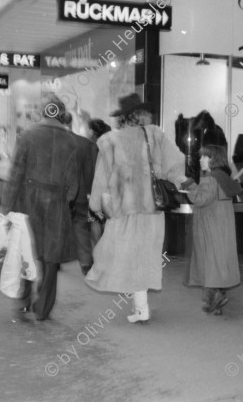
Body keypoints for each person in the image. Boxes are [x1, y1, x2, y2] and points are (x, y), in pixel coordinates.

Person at [85, 93, 188, 324]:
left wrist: (94, 207)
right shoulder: (155, 135)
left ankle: (141, 307)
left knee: (116, 255)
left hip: (123, 210)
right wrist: (184, 182)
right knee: (145, 257)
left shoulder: (110, 141)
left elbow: (101, 178)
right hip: (153, 208)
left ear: (123, 117)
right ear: (141, 114)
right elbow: (176, 163)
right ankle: (141, 307)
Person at [1, 93, 81, 321]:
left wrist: (7, 208)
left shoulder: (28, 135)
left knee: (25, 250)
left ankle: (24, 300)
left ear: (43, 112)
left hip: (28, 201)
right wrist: (65, 202)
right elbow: (73, 183)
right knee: (50, 258)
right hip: (56, 204)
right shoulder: (72, 141)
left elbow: (15, 173)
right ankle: (43, 308)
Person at [183, 145, 243, 315]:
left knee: (208, 260)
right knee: (219, 260)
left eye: (205, 157)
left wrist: (189, 185)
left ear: (213, 159)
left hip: (209, 225)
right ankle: (217, 295)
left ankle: (215, 298)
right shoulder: (224, 177)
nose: (201, 159)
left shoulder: (210, 178)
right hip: (223, 225)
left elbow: (201, 200)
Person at [62, 111, 96, 276]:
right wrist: (89, 191)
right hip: (81, 194)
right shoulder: (84, 143)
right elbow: (89, 170)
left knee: (57, 227)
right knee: (81, 226)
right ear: (70, 122)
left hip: (59, 195)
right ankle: (86, 262)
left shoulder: (54, 142)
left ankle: (56, 260)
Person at [87, 118, 112, 250]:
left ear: (92, 131)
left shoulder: (92, 146)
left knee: (94, 220)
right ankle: (106, 252)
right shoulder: (108, 145)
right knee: (105, 220)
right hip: (107, 187)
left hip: (93, 187)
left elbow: (88, 168)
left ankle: (98, 253)